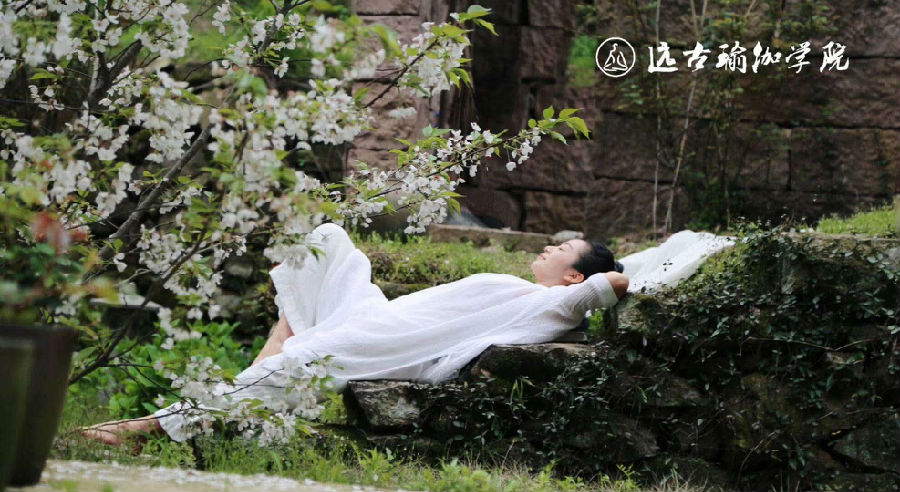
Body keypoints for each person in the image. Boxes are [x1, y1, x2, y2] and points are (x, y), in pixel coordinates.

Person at [83, 222, 734, 447]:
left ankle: (151, 427)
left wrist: (644, 264)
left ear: (573, 277)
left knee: (299, 362)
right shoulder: (534, 293)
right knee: (328, 242)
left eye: (560, 249)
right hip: (376, 316)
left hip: (384, 344)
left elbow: (616, 282)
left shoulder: (554, 307)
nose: (546, 246)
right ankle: (266, 356)